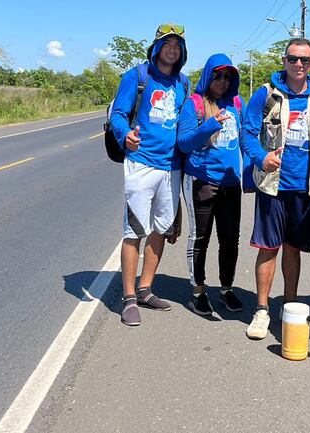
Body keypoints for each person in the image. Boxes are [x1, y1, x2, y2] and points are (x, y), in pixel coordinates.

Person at [240, 38, 310, 339]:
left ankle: (289, 306)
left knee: (293, 249)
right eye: (293, 59)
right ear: (284, 61)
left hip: (305, 188)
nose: (298, 64)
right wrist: (261, 157)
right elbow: (247, 132)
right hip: (273, 186)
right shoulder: (267, 93)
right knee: (268, 248)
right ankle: (262, 310)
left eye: (304, 60)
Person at [110, 23, 190, 326]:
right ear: (156, 47)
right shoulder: (138, 76)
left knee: (161, 229)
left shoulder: (184, 82)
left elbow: (187, 122)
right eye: (167, 44)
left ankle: (145, 289)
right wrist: (125, 135)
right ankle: (129, 297)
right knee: (134, 231)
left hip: (171, 167)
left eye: (177, 45)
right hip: (141, 164)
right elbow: (119, 114)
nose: (172, 49)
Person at [177, 53, 246, 316]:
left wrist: (252, 172)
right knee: (200, 238)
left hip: (230, 183)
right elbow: (184, 143)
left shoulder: (237, 103)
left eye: (228, 76)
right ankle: (198, 292)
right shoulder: (194, 104)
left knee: (230, 239)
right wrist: (209, 126)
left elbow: (246, 139)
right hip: (200, 180)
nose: (222, 80)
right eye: (217, 75)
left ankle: (226, 289)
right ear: (208, 75)